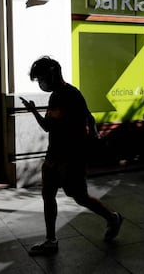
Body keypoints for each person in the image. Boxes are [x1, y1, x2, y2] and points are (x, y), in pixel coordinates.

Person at [20, 56, 123, 256]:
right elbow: (53, 126)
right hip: (54, 156)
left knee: (80, 197)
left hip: (71, 158)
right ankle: (50, 240)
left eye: (41, 78)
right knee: (48, 195)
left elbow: (77, 120)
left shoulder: (70, 94)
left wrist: (91, 136)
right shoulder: (57, 95)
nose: (40, 83)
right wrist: (34, 111)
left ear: (51, 74)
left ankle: (112, 217)